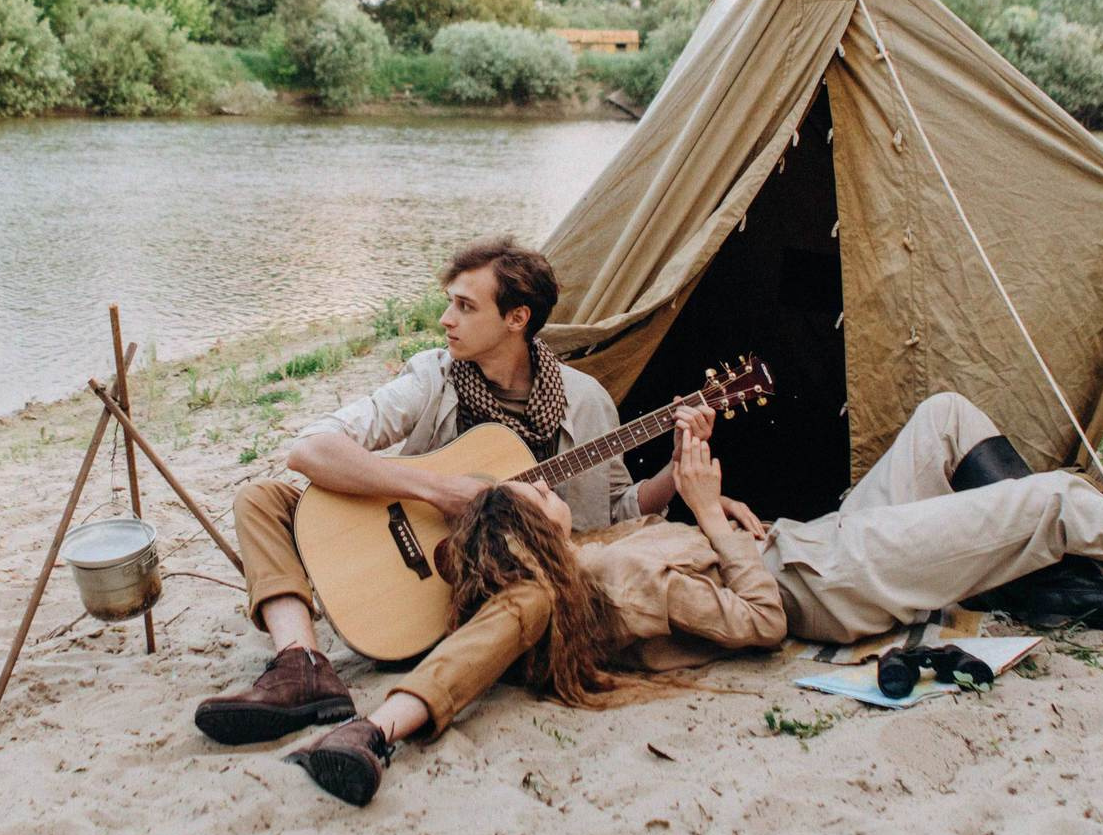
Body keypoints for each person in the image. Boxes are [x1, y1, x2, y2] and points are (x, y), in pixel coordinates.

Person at [283, 390, 1103, 806]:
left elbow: (688, 536)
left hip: (811, 536)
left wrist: (703, 488)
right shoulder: (568, 596)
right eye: (528, 497)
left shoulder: (595, 545)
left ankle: (1070, 595)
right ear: (523, 536)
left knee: (942, 416)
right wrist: (382, 728)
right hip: (827, 584)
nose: (537, 490)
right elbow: (755, 625)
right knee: (1057, 501)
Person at [194, 237, 746, 746]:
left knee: (535, 599)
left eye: (465, 306)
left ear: (516, 319)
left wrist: (679, 468)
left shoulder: (587, 402)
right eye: (450, 302)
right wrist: (442, 491)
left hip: (497, 579)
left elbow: (616, 513)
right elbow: (310, 449)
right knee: (262, 497)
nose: (445, 319)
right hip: (416, 548)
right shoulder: (432, 378)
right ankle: (301, 664)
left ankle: (396, 717)